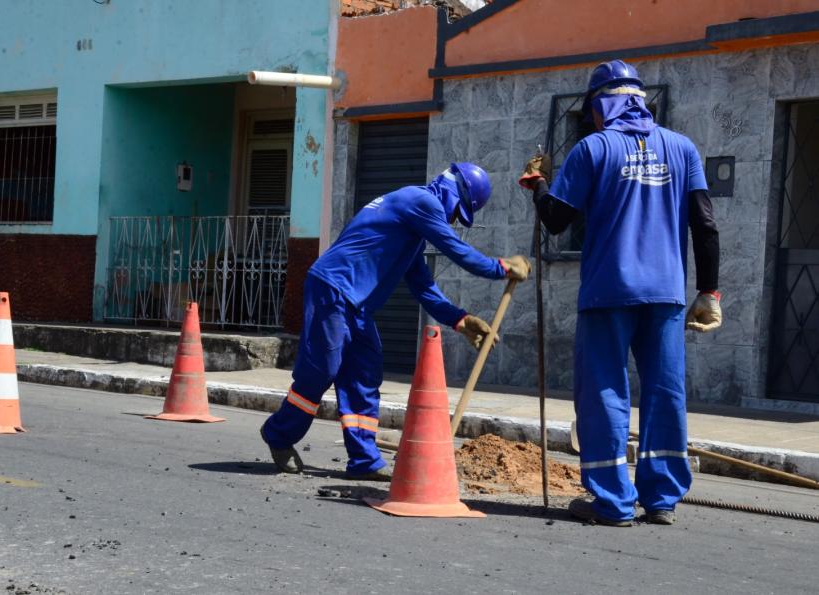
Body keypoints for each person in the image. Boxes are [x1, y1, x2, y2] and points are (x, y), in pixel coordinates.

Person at [519, 60, 721, 526]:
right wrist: (709, 291)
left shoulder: (592, 149)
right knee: (665, 392)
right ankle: (662, 499)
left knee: (606, 392)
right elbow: (705, 226)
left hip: (608, 291)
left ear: (600, 108)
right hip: (666, 294)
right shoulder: (683, 148)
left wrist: (538, 184)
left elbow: (555, 221)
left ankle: (611, 501)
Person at [261, 162, 532, 480]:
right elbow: (457, 250)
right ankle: (278, 435)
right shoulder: (420, 201)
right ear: (452, 193)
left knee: (364, 375)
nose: (454, 220)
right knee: (321, 370)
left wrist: (459, 320)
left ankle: (364, 460)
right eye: (458, 212)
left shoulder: (411, 227)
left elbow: (423, 286)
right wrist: (500, 267)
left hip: (357, 306)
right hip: (332, 289)